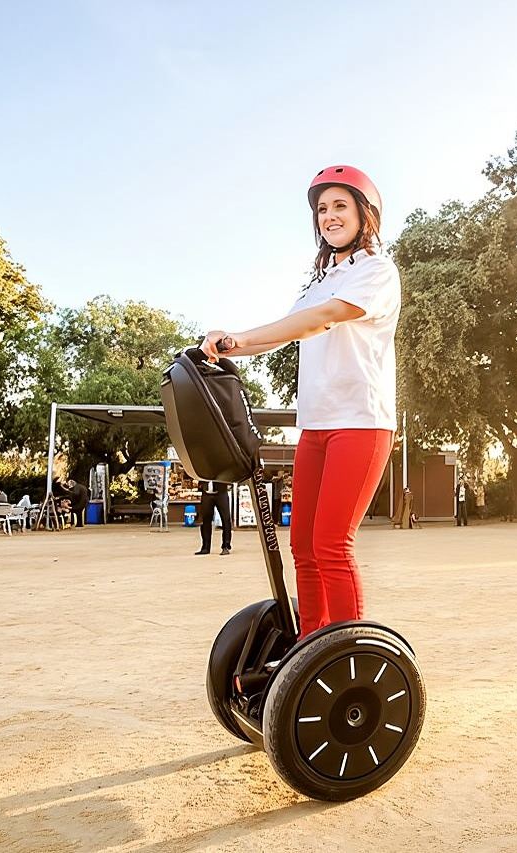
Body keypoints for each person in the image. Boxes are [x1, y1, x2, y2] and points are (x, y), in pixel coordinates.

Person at [200, 164, 400, 640]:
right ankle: (311, 648)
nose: (330, 216)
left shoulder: (376, 271)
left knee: (332, 544)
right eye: (322, 209)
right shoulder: (317, 282)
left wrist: (243, 337)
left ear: (363, 214)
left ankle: (350, 653)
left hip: (361, 423)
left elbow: (322, 320)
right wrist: (229, 342)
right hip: (315, 426)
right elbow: (283, 332)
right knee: (304, 547)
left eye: (340, 206)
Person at [194, 480, 233, 555]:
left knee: (226, 519)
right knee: (205, 520)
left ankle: (226, 546)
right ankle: (205, 547)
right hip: (206, 493)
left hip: (221, 493)